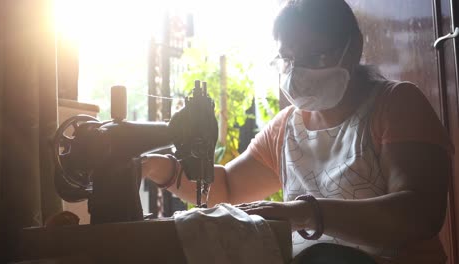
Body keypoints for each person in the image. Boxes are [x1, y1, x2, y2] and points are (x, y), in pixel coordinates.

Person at [142, 0, 453, 263]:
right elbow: (226, 188)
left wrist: (305, 213)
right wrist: (161, 169)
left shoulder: (396, 104)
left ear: (354, 47)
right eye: (289, 59)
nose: (298, 71)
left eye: (315, 57)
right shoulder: (287, 126)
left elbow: (418, 213)